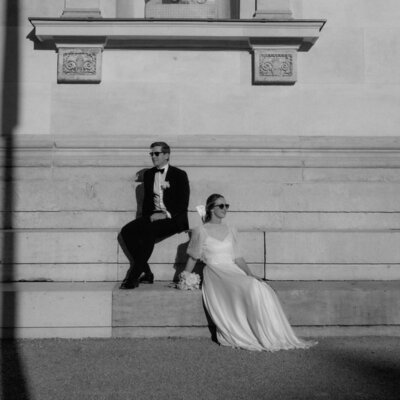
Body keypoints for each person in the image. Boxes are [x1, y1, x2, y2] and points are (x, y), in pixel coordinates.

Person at [181, 193, 316, 351]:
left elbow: (237, 257)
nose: (225, 209)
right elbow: (193, 257)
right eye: (221, 206)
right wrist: (185, 276)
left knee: (258, 286)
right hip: (215, 271)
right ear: (211, 209)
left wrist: (250, 274)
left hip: (232, 268)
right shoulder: (200, 231)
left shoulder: (231, 229)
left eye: (227, 206)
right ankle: (252, 332)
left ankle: (269, 334)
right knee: (250, 287)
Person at [119, 141, 190, 289]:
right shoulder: (150, 174)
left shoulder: (179, 174)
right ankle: (147, 273)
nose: (153, 156)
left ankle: (134, 276)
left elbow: (183, 203)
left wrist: (165, 215)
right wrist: (143, 220)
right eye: (151, 153)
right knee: (126, 232)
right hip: (153, 216)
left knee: (148, 232)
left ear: (166, 155)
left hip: (174, 218)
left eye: (156, 153)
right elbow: (146, 203)